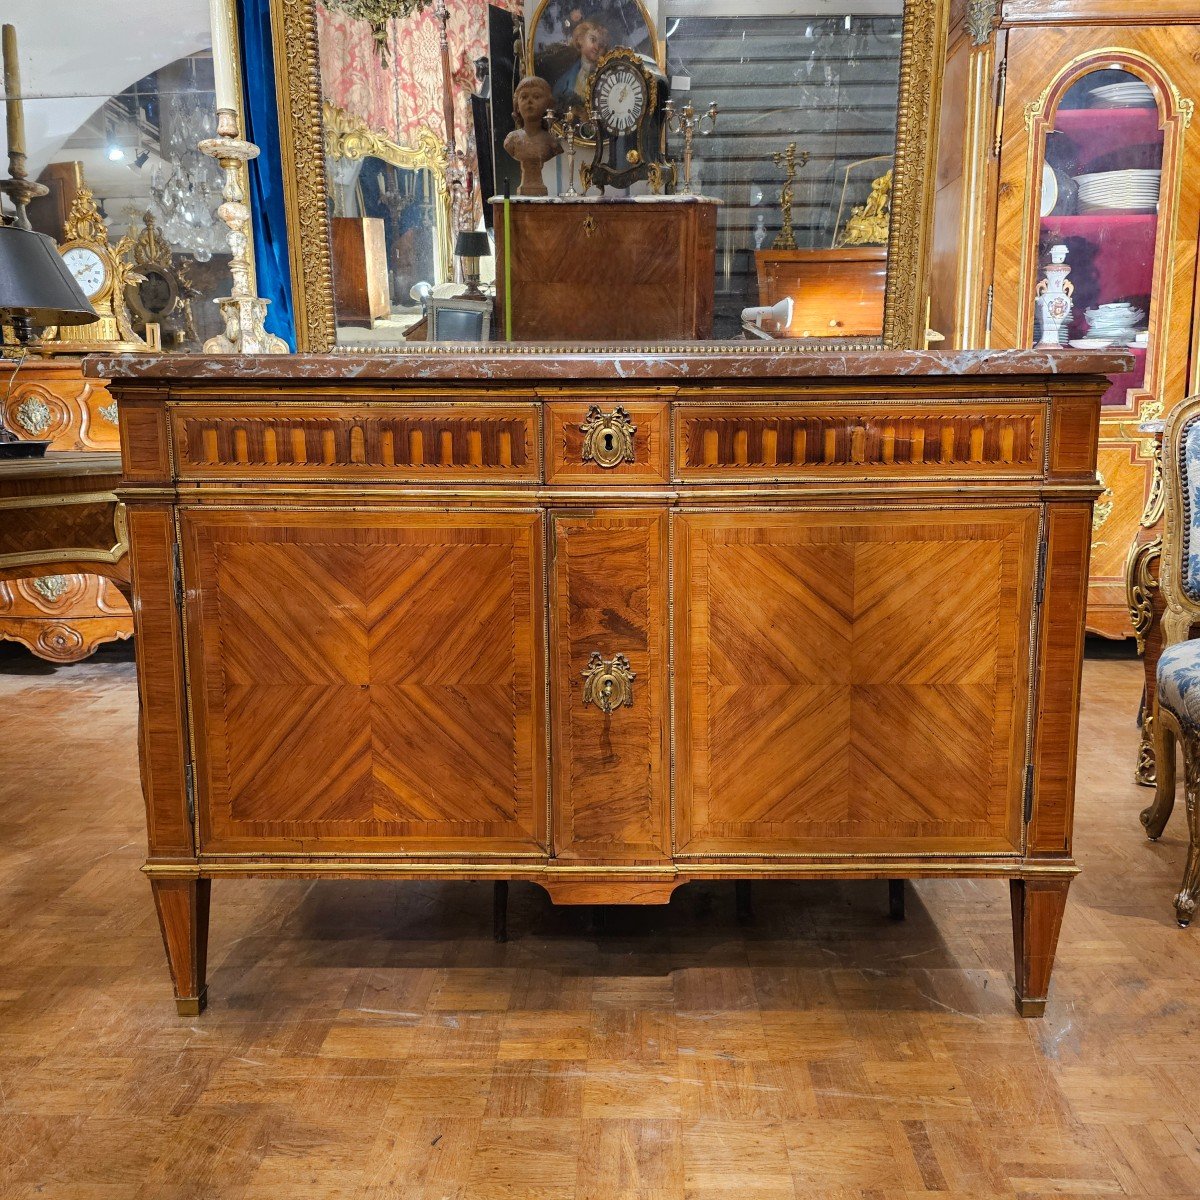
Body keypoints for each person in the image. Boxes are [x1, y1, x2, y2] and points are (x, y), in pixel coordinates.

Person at [503, 76, 562, 197]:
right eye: (524, 97)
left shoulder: (552, 143)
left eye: (536, 96)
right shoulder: (511, 140)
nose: (529, 101)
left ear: (547, 104)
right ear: (517, 106)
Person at [552, 19, 610, 111]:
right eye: (593, 40)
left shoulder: (607, 77)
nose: (597, 47)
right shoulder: (566, 78)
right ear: (580, 39)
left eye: (602, 45)